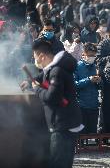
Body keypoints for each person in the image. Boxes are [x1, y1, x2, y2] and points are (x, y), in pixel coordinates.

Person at [30, 39, 83, 168]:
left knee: (58, 163)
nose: (35, 61)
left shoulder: (56, 71)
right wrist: (30, 80)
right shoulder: (55, 68)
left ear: (42, 56)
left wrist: (36, 88)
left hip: (62, 125)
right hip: (65, 122)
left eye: (35, 57)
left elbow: (52, 96)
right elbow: (43, 75)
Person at [74, 43, 101, 134]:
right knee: (82, 134)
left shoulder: (95, 66)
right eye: (89, 55)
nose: (92, 57)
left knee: (92, 132)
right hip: (81, 105)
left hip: (94, 104)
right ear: (83, 54)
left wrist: (99, 81)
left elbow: (100, 86)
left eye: (94, 55)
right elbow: (74, 85)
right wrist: (88, 80)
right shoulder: (77, 66)